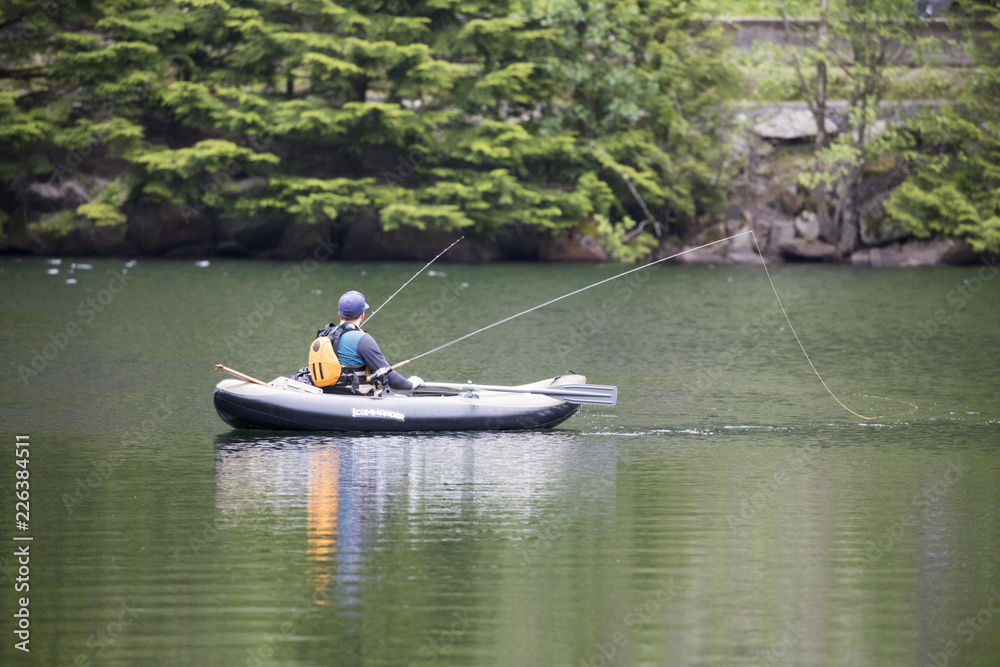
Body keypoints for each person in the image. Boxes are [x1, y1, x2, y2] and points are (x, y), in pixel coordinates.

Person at [305, 290, 422, 394]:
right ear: (362, 315)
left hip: (326, 394)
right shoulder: (364, 340)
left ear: (339, 314)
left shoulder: (324, 334)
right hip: (352, 397)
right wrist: (411, 383)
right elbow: (391, 379)